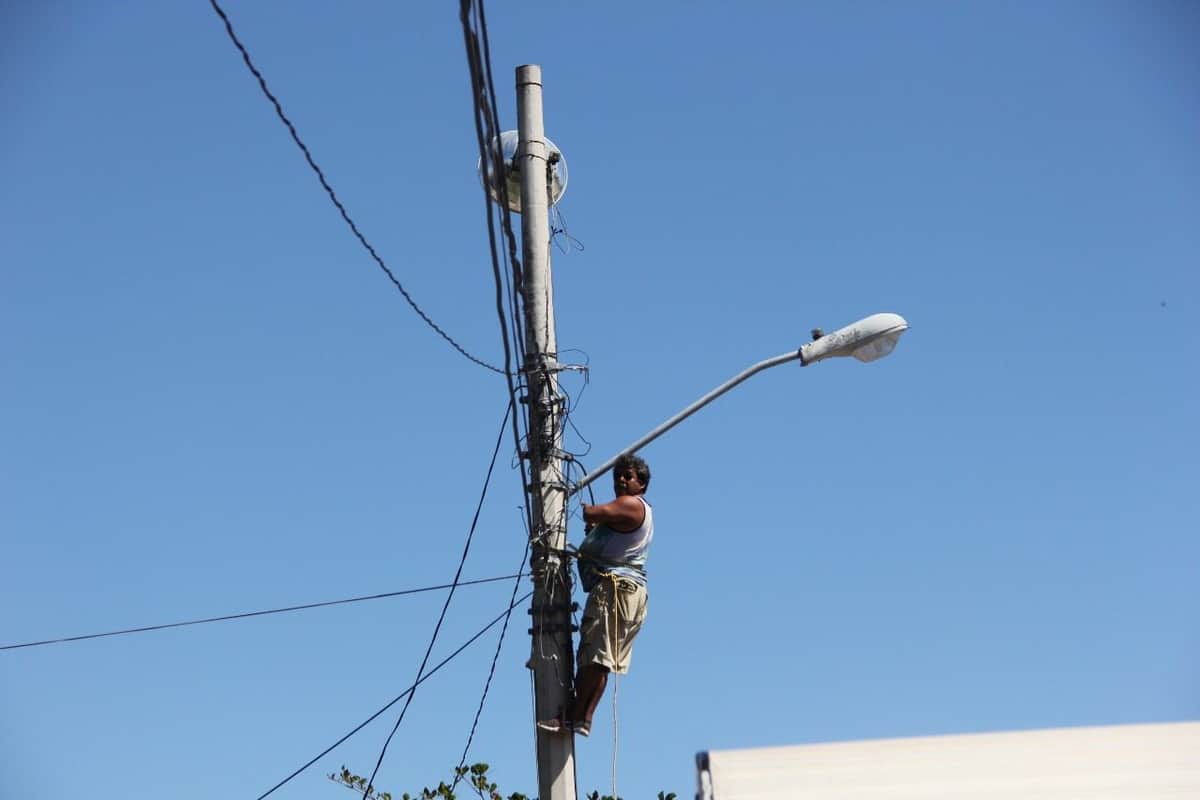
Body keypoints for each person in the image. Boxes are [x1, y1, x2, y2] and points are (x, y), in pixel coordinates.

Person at [539, 454, 654, 737]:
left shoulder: (631, 505)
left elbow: (592, 512)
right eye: (618, 477)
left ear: (642, 484)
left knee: (597, 657)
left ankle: (574, 716)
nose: (621, 481)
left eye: (628, 476)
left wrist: (563, 496)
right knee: (600, 658)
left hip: (616, 591)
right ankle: (581, 717)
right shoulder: (634, 510)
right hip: (624, 592)